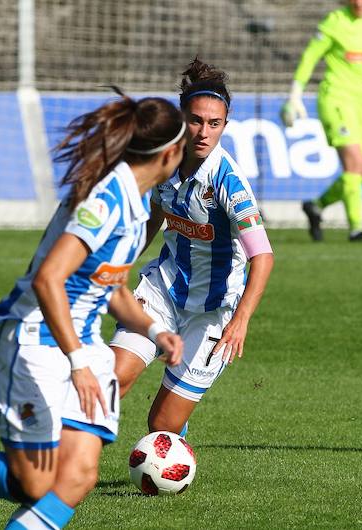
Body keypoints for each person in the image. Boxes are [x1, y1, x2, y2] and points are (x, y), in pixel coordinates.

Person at [0, 90, 186, 529]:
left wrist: (155, 331)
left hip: (83, 347)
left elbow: (112, 283)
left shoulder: (138, 205)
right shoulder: (106, 201)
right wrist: (77, 362)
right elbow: (49, 279)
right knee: (34, 486)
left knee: (79, 476)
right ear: (169, 153)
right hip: (34, 343)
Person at [110, 59, 274, 438]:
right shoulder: (165, 161)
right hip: (162, 291)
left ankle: (173, 464)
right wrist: (121, 267)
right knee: (112, 382)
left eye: (214, 124)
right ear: (182, 119)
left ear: (224, 126)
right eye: (197, 121)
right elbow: (154, 214)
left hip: (212, 312)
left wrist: (241, 320)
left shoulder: (227, 182)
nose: (204, 132)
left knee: (162, 427)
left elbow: (262, 256)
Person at [280, 0, 362, 242]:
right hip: (336, 100)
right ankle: (356, 229)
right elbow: (309, 58)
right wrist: (295, 93)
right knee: (354, 165)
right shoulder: (334, 22)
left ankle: (316, 206)